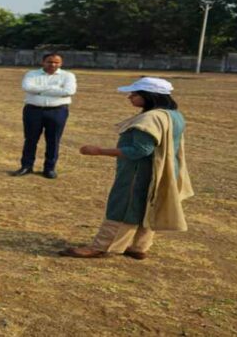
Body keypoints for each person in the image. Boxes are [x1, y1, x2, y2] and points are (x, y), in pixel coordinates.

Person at [59, 77, 193, 260]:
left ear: (149, 96)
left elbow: (140, 150)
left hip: (138, 173)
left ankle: (100, 246)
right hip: (158, 171)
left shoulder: (150, 118)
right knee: (146, 206)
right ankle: (138, 246)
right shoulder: (173, 115)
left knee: (122, 205)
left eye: (134, 94)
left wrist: (99, 151)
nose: (130, 97)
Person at [11, 53, 77, 179]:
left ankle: (49, 168)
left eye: (56, 62)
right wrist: (56, 90)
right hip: (33, 110)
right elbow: (27, 87)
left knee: (53, 140)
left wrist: (39, 90)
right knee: (30, 139)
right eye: (49, 62)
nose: (53, 64)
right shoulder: (32, 74)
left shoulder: (68, 75)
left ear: (61, 63)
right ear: (43, 62)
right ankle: (26, 166)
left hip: (57, 111)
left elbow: (69, 91)